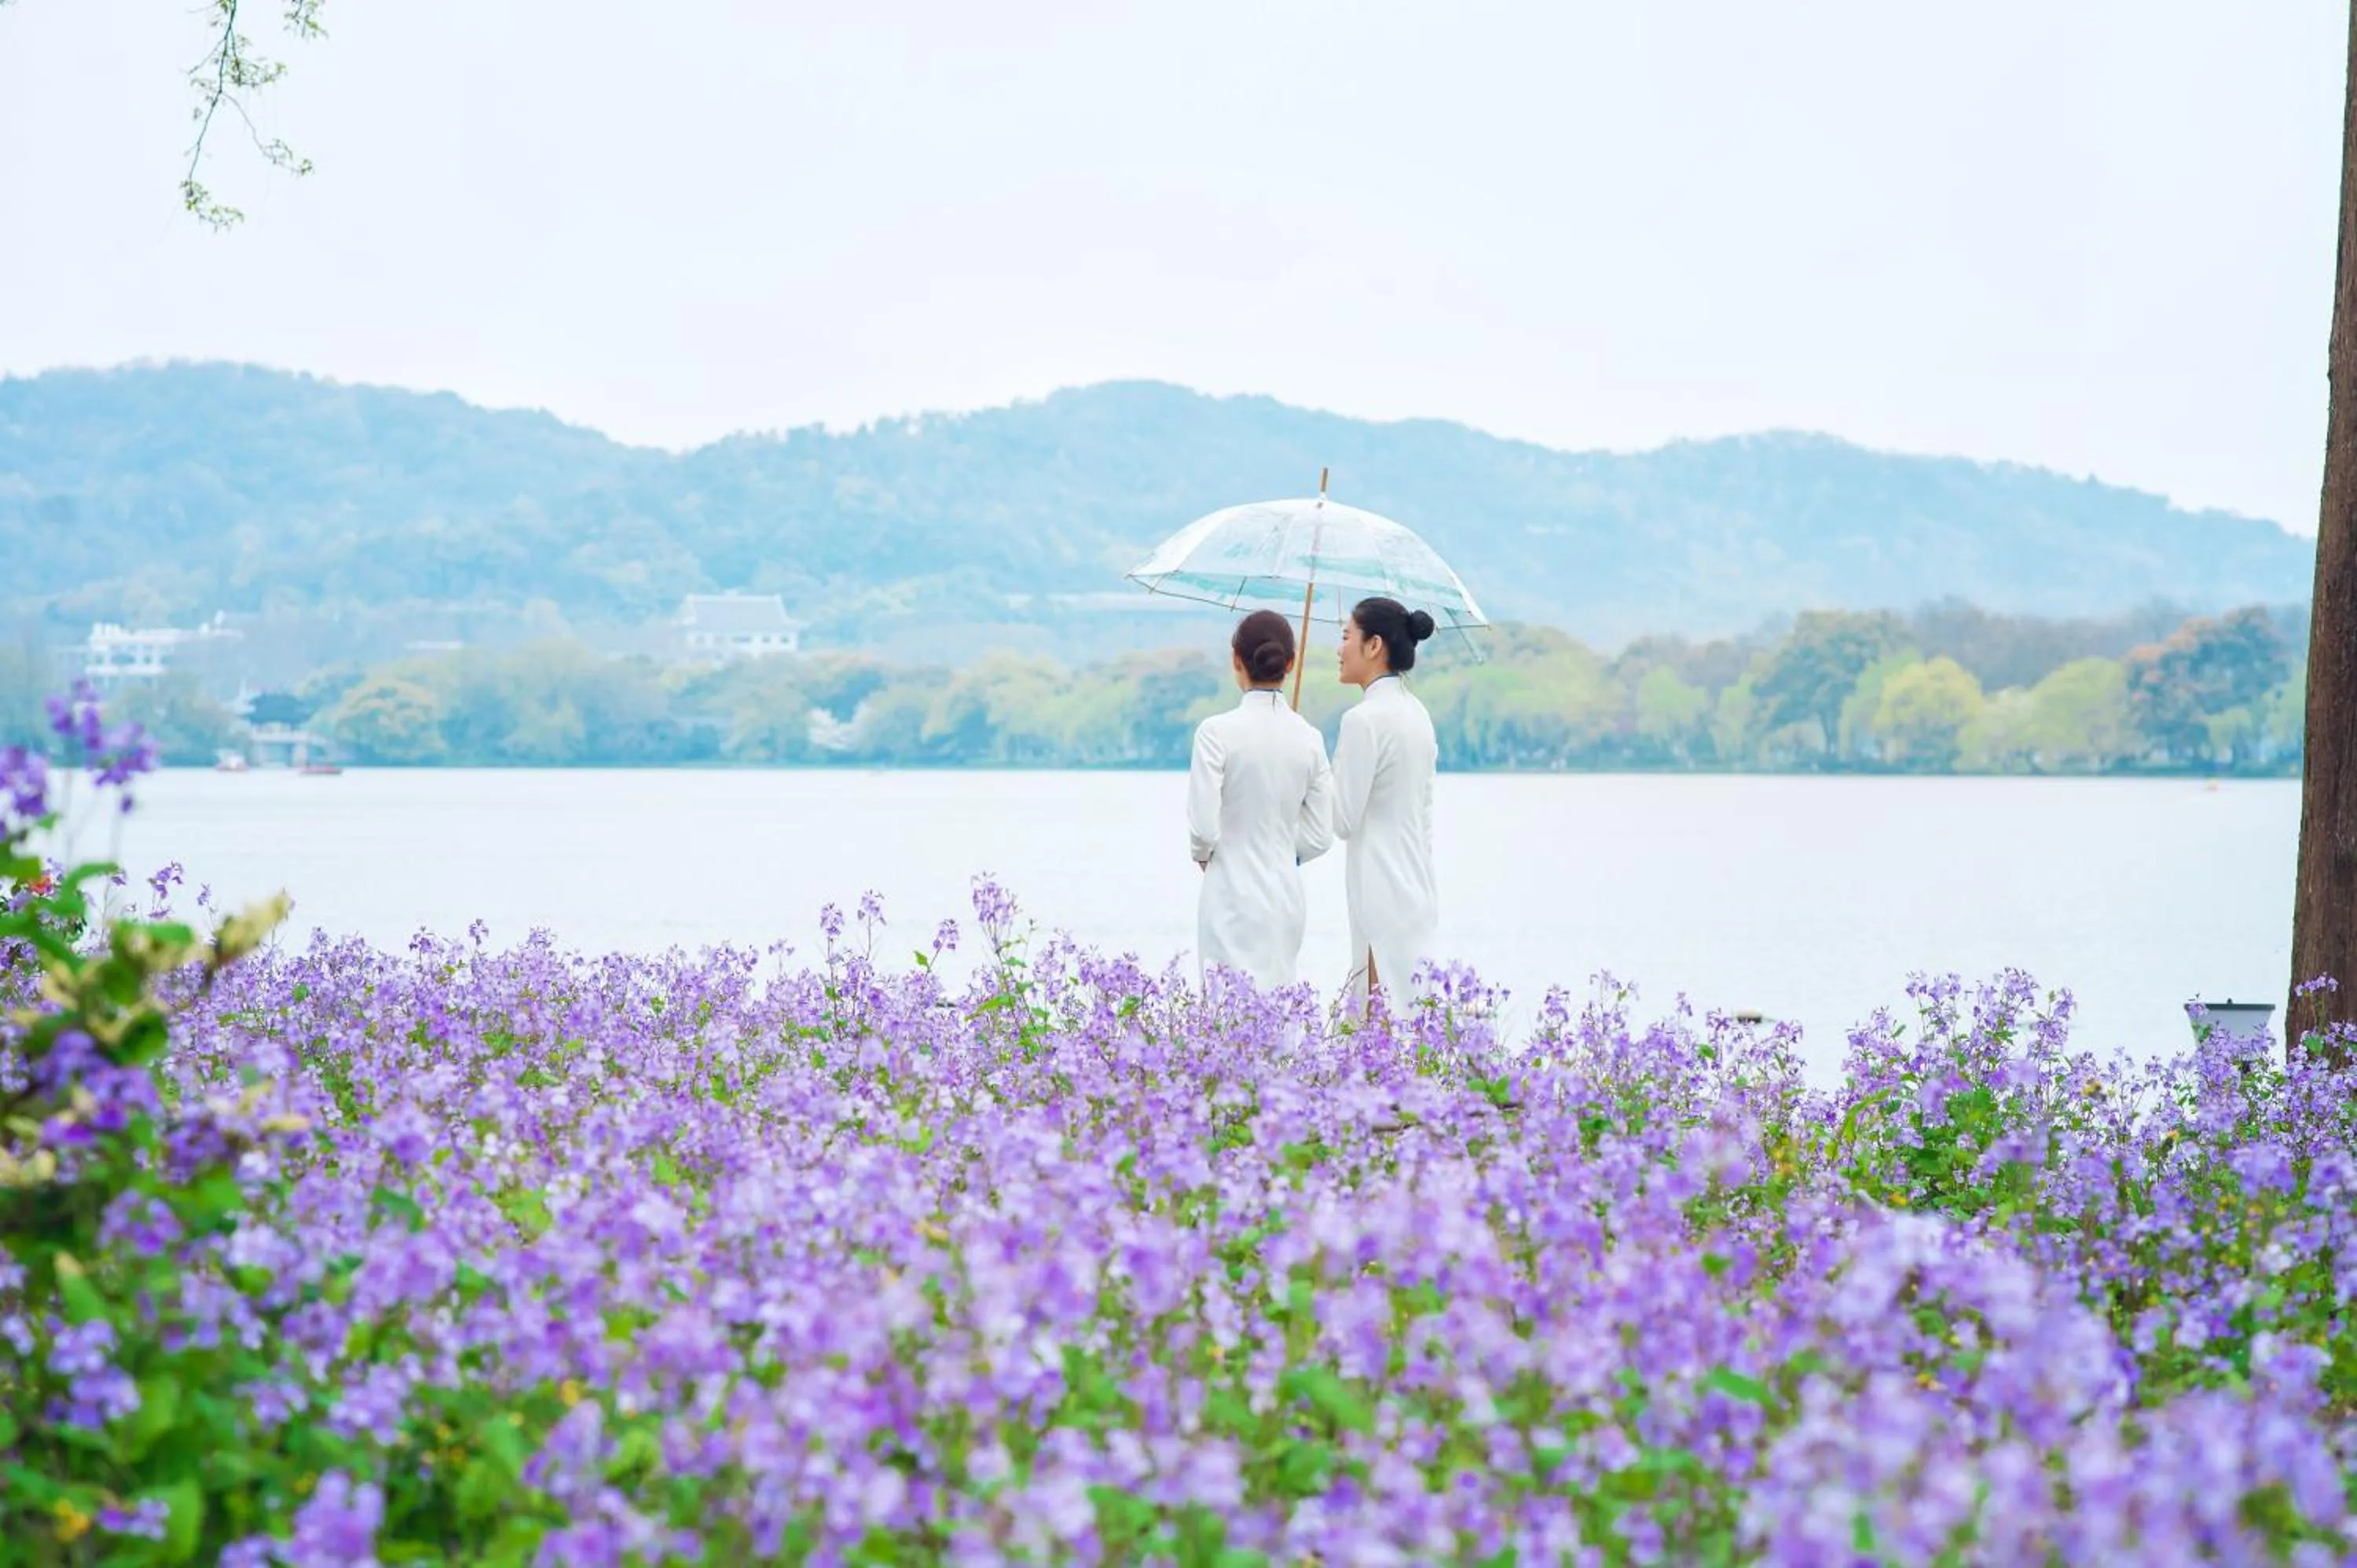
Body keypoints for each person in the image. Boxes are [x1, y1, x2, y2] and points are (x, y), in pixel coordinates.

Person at [1186, 610, 1336, 988]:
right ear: (1290, 663)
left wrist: (1207, 856)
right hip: (1285, 896)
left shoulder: (1215, 733)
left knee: (1226, 1018)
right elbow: (1320, 836)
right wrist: (1285, 851)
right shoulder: (1309, 739)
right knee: (1278, 1011)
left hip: (1230, 892)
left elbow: (1204, 829)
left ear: (1236, 659)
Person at [1331, 595, 1439, 1006]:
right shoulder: (1417, 714)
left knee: (1380, 1021)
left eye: (1346, 637)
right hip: (1416, 883)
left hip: (1378, 883)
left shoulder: (1362, 720)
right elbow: (1424, 811)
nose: (1339, 649)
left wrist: (1312, 774)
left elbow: (1342, 819)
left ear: (1374, 645)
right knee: (1411, 1015)